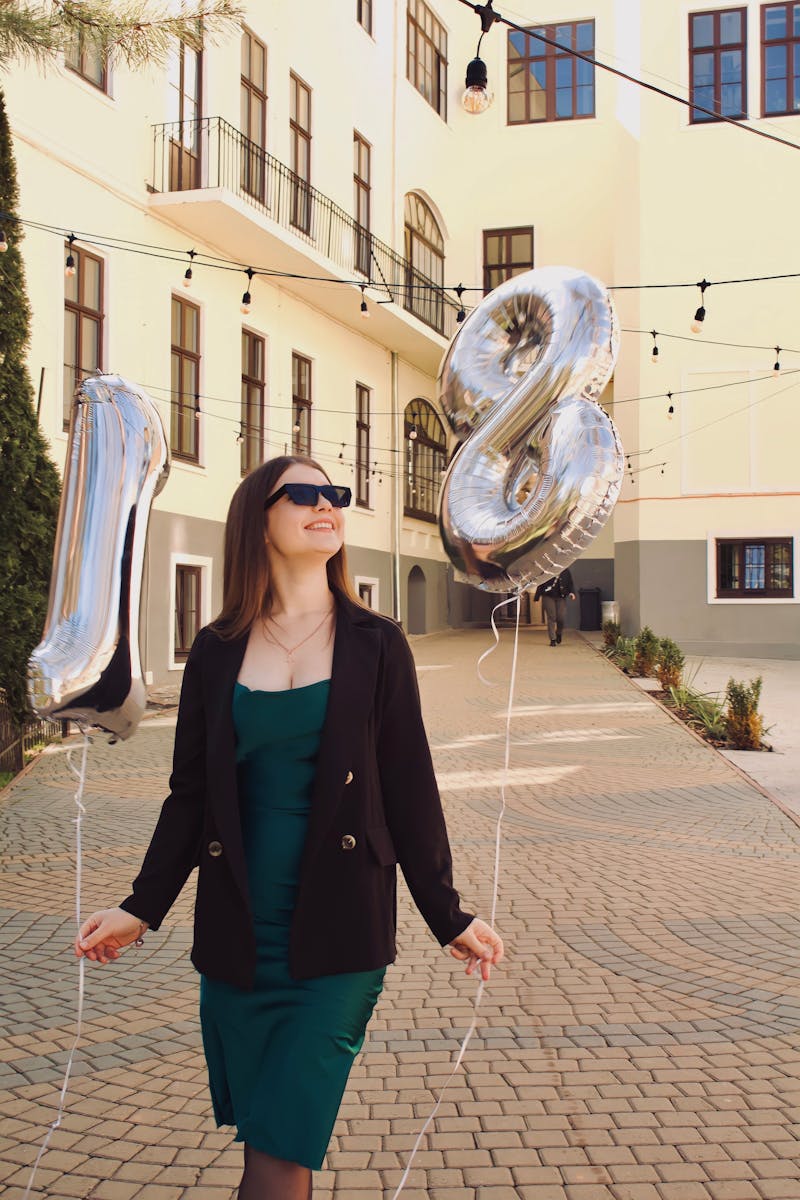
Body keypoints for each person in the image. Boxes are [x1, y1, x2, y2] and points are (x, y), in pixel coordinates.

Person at [75, 454, 504, 1200]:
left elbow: (410, 789)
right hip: (240, 928)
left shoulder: (377, 643)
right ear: (259, 520)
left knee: (280, 1146)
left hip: (338, 937)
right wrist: (141, 907)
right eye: (302, 494)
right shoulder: (215, 649)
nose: (327, 505)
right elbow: (189, 796)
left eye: (334, 494)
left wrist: (447, 913)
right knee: (270, 1150)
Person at [534, 568, 576, 646]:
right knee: (551, 617)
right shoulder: (546, 569)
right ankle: (552, 639)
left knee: (561, 617)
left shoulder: (565, 570)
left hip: (561, 597)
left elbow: (570, 583)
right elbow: (540, 582)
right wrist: (537, 596)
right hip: (548, 596)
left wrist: (572, 592)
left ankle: (559, 633)